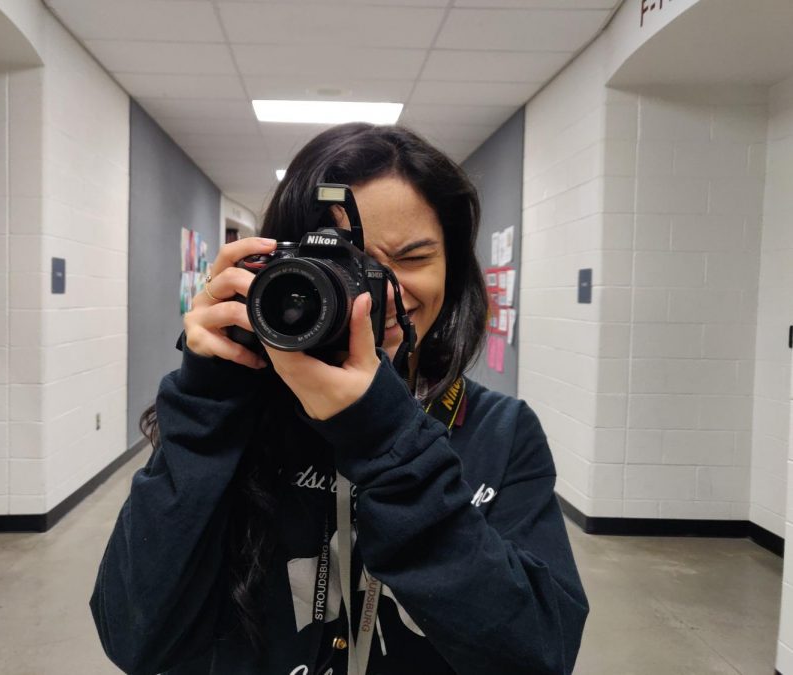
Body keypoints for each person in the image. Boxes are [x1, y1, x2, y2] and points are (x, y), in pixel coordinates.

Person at [89, 123, 588, 675]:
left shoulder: (501, 431)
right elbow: (133, 637)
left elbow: (540, 656)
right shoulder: (233, 413)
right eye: (345, 266)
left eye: (413, 257)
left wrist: (386, 438)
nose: (376, 293)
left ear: (455, 269)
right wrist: (206, 404)